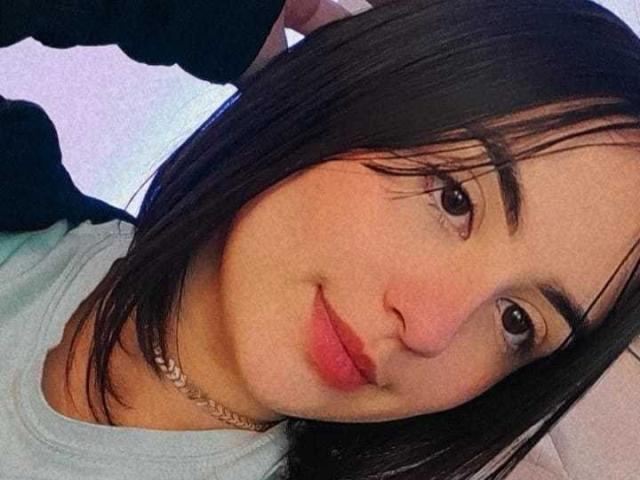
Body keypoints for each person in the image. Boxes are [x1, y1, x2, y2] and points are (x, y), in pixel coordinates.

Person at [1, 0, 640, 479]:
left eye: (517, 322)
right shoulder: (26, 216)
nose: (430, 329)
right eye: (455, 199)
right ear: (359, 91)